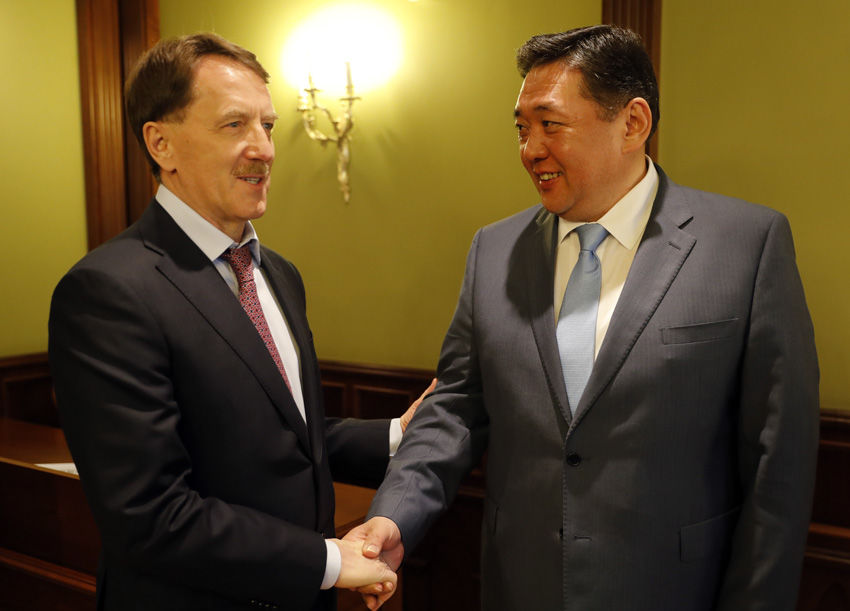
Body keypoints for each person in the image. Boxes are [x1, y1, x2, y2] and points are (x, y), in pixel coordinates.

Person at [346, 24, 819, 611]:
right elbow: (455, 408)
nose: (530, 149)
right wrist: (393, 515)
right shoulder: (493, 250)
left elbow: (779, 463)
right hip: (522, 587)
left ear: (633, 123)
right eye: (522, 129)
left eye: (550, 124)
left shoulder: (746, 245)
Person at [48, 32, 432, 611]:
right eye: (234, 125)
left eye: (268, 126)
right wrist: (328, 562)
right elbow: (150, 516)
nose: (264, 149)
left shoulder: (278, 273)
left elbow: (279, 436)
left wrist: (398, 434)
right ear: (160, 143)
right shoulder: (107, 291)